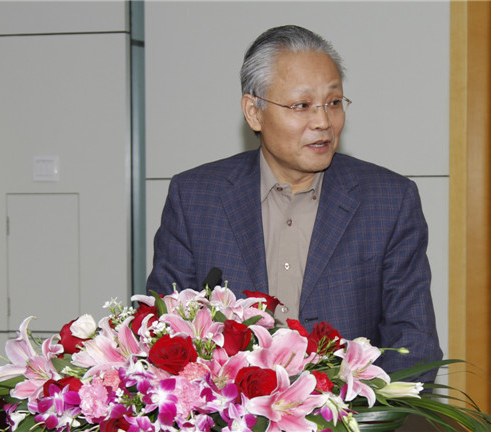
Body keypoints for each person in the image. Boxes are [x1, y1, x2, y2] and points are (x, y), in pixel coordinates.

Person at [146, 25, 442, 380]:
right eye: (302, 106)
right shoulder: (195, 199)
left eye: (334, 103)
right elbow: (163, 334)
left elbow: (414, 347)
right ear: (254, 112)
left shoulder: (388, 201)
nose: (323, 122)